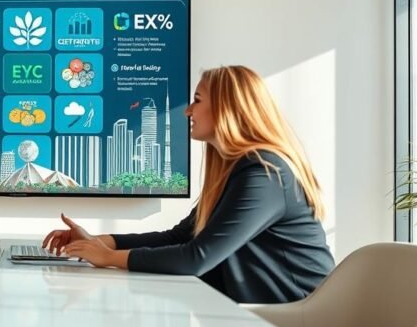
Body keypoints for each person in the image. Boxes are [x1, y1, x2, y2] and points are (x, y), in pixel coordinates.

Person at [43, 65, 335, 304]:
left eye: (197, 100)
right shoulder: (238, 170)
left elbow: (197, 258)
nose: (187, 111)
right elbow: (181, 236)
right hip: (265, 311)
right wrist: (100, 241)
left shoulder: (265, 173)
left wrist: (108, 258)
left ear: (226, 107)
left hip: (299, 316)